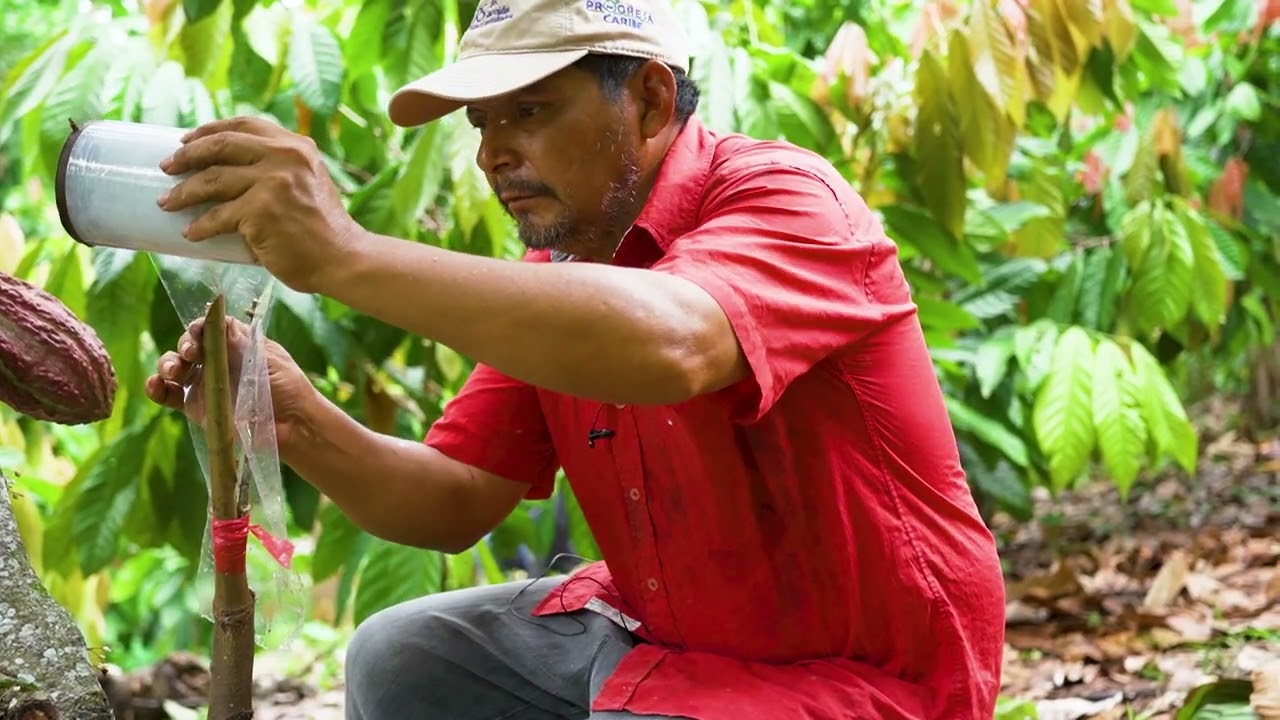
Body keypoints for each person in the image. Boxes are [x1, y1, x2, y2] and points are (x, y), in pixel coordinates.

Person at [144, 0, 1007, 717]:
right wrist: (293, 419)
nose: (492, 153)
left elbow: (670, 340)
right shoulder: (561, 276)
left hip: (870, 682)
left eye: (530, 109)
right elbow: (452, 502)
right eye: (483, 122)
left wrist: (344, 254)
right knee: (401, 656)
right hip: (671, 645)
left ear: (652, 101)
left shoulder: (788, 198)